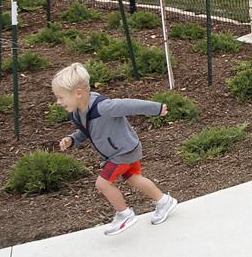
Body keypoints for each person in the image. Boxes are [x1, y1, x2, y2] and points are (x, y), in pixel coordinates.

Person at [52, 62, 177, 236]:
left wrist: (155, 108)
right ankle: (164, 201)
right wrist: (72, 139)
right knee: (134, 179)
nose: (58, 102)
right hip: (123, 150)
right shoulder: (78, 112)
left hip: (122, 152)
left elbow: (129, 105)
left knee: (102, 184)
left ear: (78, 93)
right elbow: (86, 131)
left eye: (60, 97)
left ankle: (124, 214)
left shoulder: (103, 107)